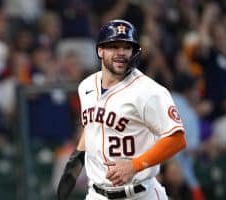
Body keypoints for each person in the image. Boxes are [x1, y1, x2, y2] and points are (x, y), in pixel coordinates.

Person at [57, 19, 187, 200]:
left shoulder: (149, 91)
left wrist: (135, 165)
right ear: (100, 51)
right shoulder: (86, 86)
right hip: (97, 194)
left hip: (140, 193)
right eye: (114, 46)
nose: (121, 53)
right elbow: (92, 128)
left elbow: (177, 139)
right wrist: (73, 168)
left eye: (126, 47)